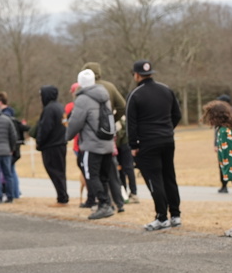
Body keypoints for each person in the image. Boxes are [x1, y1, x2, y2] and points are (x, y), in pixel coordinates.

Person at [127, 60, 182, 231]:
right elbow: (177, 115)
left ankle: (161, 217)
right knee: (169, 176)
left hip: (147, 143)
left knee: (154, 179)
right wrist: (167, 129)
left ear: (137, 75)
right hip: (167, 140)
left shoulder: (135, 94)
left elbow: (131, 123)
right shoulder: (166, 90)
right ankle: (175, 215)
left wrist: (133, 145)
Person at [65, 68, 119, 220]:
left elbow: (75, 122)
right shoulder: (104, 95)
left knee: (91, 176)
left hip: (92, 144)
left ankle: (104, 204)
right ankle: (107, 203)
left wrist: (67, 136)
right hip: (107, 142)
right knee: (103, 176)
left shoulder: (82, 99)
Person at [83, 61, 138, 203]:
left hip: (91, 135)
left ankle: (103, 201)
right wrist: (111, 120)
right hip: (109, 134)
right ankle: (120, 200)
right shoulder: (110, 87)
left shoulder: (84, 89)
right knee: (113, 168)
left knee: (94, 171)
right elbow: (122, 106)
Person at [202, 100, 232, 237]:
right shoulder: (224, 129)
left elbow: (229, 155)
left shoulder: (224, 131)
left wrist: (227, 174)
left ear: (216, 116)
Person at [32, 85, 69, 206]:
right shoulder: (60, 107)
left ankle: (62, 198)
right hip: (61, 144)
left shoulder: (49, 109)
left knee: (55, 172)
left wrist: (39, 141)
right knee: (60, 172)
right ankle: (62, 196)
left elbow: (45, 128)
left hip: (52, 145)